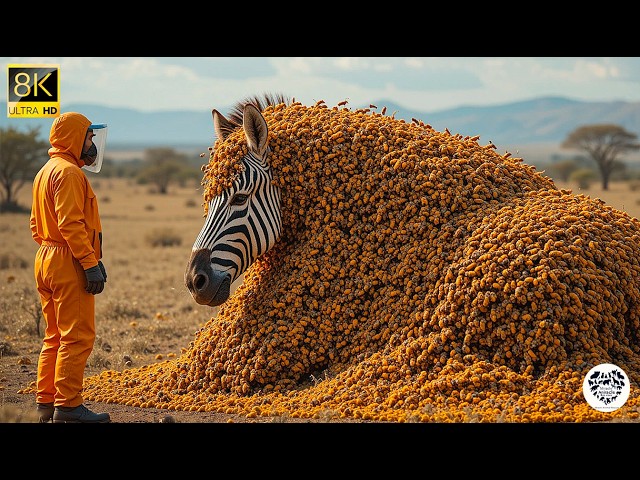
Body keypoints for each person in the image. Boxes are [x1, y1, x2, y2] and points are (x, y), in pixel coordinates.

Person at [30, 112, 111, 423]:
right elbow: (71, 224)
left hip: (46, 256)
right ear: (75, 139)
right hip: (67, 260)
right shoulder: (71, 174)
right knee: (76, 337)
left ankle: (46, 403)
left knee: (54, 335)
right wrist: (89, 263)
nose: (92, 145)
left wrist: (52, 249)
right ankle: (68, 407)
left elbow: (36, 224)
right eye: (89, 138)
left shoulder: (44, 172)